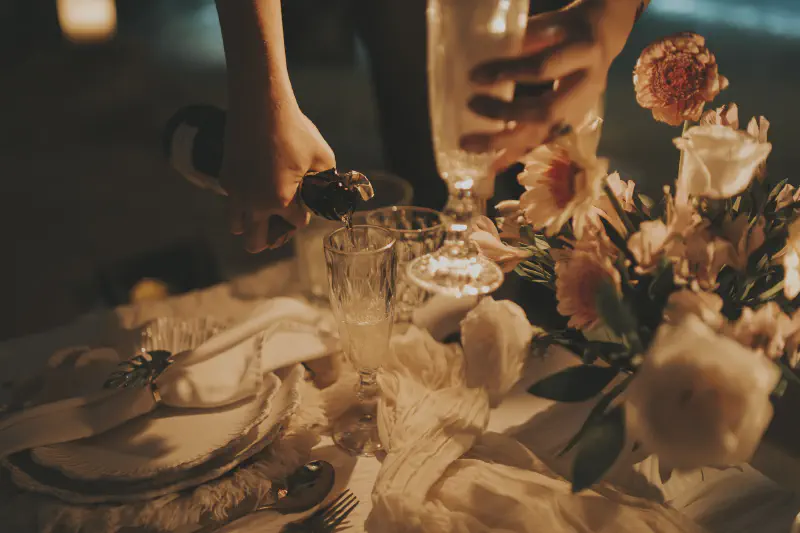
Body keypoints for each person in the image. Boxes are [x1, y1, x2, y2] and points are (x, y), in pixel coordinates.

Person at [214, 0, 649, 253]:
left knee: (562, 216)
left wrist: (611, 14)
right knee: (424, 188)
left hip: (550, 11)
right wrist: (261, 92)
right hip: (408, 14)